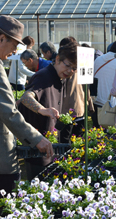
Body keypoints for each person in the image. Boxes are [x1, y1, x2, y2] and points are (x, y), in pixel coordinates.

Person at [0, 15, 53, 215]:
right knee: (3, 211)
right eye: (14, 45)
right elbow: (8, 112)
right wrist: (36, 137)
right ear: (1, 38)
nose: (15, 51)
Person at [18, 43, 79, 180]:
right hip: (36, 147)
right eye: (67, 65)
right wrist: (42, 109)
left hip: (47, 144)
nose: (70, 71)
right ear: (57, 59)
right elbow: (26, 97)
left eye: (74, 68)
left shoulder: (60, 77)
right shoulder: (44, 76)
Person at [58, 37, 93, 143]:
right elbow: (86, 86)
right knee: (79, 139)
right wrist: (90, 103)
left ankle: (66, 158)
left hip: (66, 108)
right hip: (80, 106)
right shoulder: (83, 61)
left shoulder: (64, 65)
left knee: (65, 139)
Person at [93, 40, 116, 127]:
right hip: (110, 104)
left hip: (96, 101)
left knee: (96, 131)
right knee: (111, 131)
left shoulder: (98, 59)